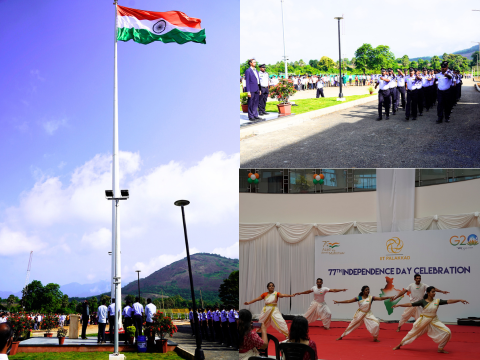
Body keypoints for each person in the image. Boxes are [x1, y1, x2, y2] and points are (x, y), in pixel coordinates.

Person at [392, 286, 468, 353]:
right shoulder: (423, 301)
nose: (434, 293)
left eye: (434, 291)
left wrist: (459, 300)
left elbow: (449, 301)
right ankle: (400, 344)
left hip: (434, 320)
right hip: (424, 320)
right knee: (412, 333)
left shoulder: (437, 301)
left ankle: (440, 348)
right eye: (433, 292)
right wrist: (398, 305)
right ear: (428, 293)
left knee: (448, 332)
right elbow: (410, 304)